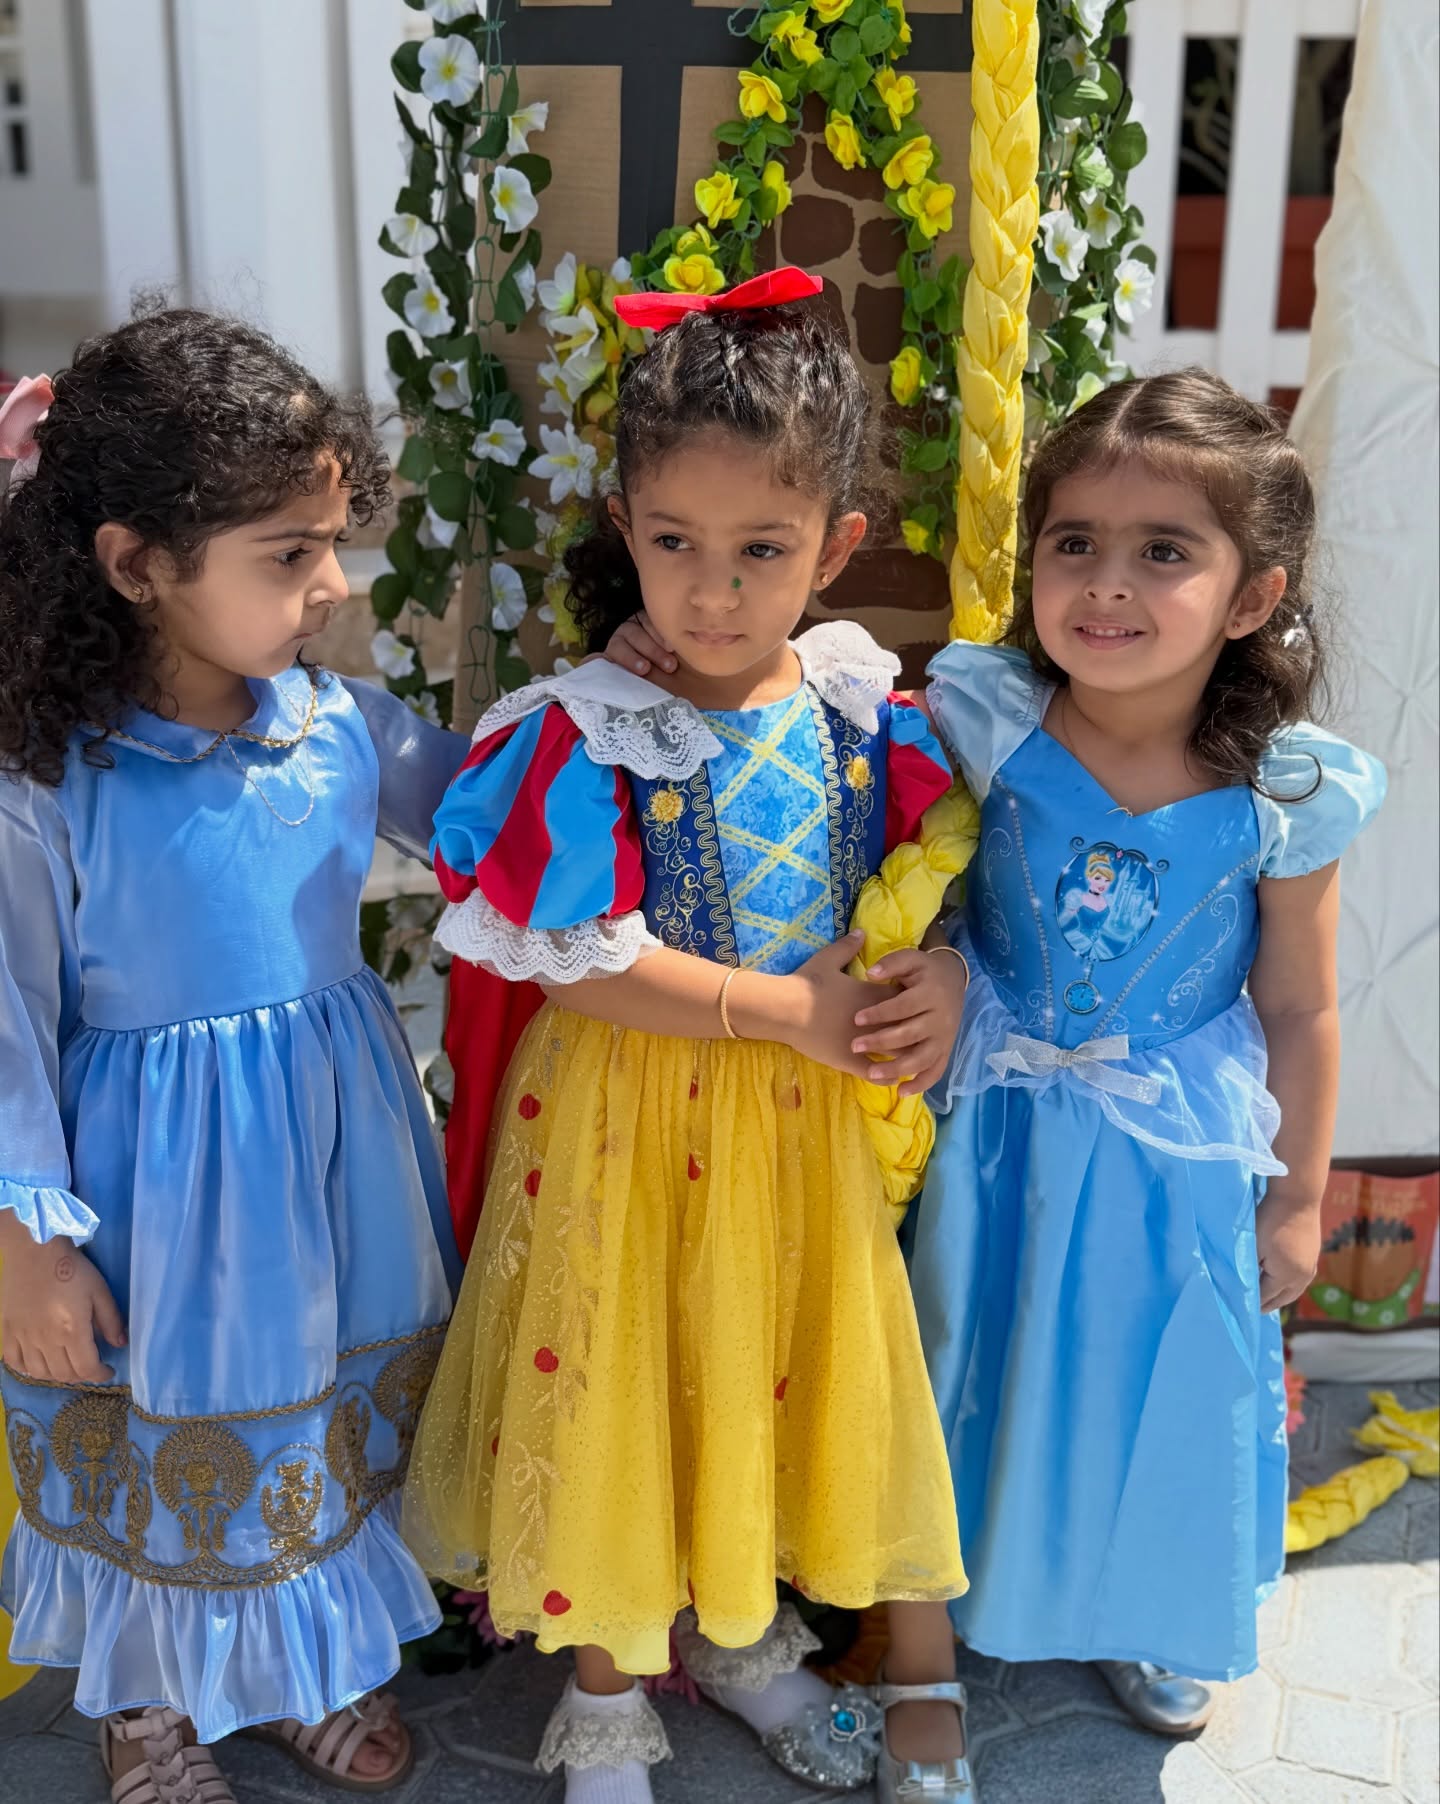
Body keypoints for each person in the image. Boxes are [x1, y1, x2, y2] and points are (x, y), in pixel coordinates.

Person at [403, 270, 977, 1804]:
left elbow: (943, 887)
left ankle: (738, 1632)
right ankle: (605, 1696)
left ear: (837, 547)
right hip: (622, 1123)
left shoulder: (870, 713)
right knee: (612, 1374)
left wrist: (950, 984)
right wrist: (795, 1011)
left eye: (760, 552)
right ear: (625, 528)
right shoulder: (586, 726)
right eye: (675, 546)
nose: (711, 592)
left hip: (796, 1141)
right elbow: (579, 963)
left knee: (758, 1371)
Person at [0, 312, 466, 1800]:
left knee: (308, 1434)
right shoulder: (43, 784)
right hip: (159, 1214)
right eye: (288, 554)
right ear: (136, 561)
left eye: (331, 542)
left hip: (336, 1187)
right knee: (168, 1446)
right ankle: (147, 1710)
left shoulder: (342, 735)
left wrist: (632, 693)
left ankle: (281, 1675)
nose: (332, 586)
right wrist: (24, 1245)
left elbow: (506, 811)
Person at [912, 371, 1384, 1731]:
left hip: (1167, 1144)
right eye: (1076, 544)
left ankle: (1155, 1602)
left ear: (1251, 597)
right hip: (992, 1116)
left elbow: (1301, 1006)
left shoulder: (1285, 789)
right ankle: (951, 1597)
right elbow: (891, 853)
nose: (1106, 586)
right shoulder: (987, 718)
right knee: (975, 1347)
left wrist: (1299, 1195)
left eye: (1162, 551)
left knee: (1154, 1374)